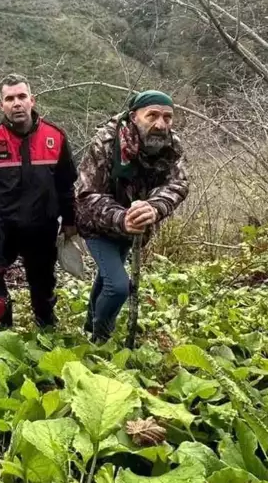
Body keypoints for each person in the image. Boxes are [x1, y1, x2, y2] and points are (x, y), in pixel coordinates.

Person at [0, 75, 78, 329]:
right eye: (9, 98)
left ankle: (45, 324)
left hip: (42, 227)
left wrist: (70, 222)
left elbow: (66, 185)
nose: (16, 103)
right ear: (1, 105)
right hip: (1, 228)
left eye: (21, 97)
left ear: (32, 100)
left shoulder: (56, 137)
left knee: (43, 281)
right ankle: (1, 325)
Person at [75, 89, 188, 343]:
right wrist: (121, 217)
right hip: (98, 225)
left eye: (167, 117)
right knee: (118, 285)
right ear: (134, 116)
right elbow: (87, 193)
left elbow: (178, 184)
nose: (161, 124)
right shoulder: (106, 142)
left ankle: (90, 325)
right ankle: (101, 337)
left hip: (136, 227)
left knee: (107, 277)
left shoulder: (171, 146)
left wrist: (155, 207)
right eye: (153, 115)